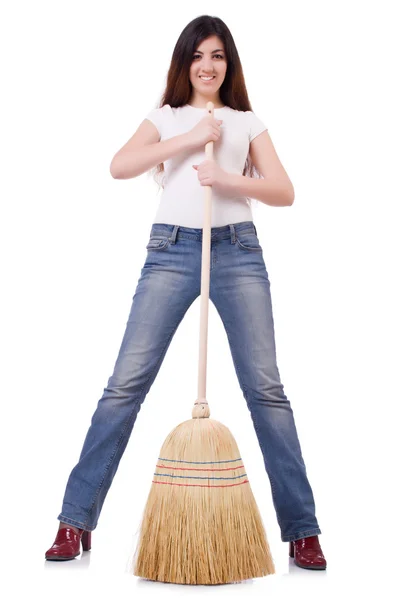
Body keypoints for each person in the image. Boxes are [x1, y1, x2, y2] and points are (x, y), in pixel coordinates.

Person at [45, 14, 326, 571]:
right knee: (125, 384)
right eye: (199, 56)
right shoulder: (166, 117)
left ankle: (303, 531)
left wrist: (228, 179)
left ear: (229, 63)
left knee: (266, 390)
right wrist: (192, 139)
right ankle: (74, 520)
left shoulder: (247, 121)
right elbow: (120, 165)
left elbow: (284, 191)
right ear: (184, 63)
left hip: (238, 251)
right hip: (171, 250)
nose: (208, 66)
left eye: (218, 55)